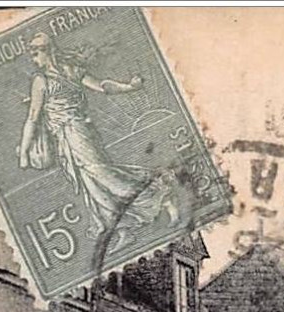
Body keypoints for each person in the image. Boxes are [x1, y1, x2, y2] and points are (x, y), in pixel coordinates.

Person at [18, 33, 178, 243]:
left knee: (104, 175)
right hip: (70, 137)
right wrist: (129, 87)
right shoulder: (70, 72)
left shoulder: (42, 80)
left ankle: (161, 197)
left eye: (34, 53)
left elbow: (33, 117)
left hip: (75, 134)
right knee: (91, 185)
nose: (33, 59)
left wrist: (23, 152)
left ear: (46, 52)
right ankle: (123, 231)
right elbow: (103, 86)